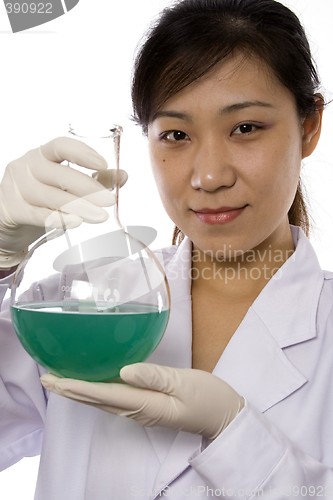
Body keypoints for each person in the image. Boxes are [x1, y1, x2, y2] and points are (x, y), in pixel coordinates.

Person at [0, 0, 332, 498]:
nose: (209, 177)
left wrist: (235, 434)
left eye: (245, 128)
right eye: (176, 134)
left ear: (309, 128)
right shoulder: (69, 310)